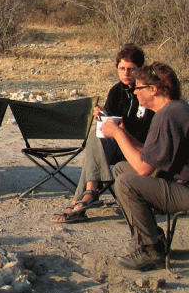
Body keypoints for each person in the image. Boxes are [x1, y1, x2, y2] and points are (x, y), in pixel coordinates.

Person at [101, 62, 189, 271]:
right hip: (179, 181)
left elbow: (143, 169)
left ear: (154, 89)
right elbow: (152, 154)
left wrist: (118, 134)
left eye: (138, 88)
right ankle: (154, 237)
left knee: (126, 183)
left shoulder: (168, 115)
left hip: (185, 188)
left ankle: (151, 250)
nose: (135, 92)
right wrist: (126, 133)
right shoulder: (174, 109)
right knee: (121, 168)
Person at [52, 44, 154, 223]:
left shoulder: (146, 92)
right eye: (121, 68)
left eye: (131, 69)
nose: (126, 73)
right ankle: (90, 192)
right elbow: (111, 120)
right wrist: (103, 116)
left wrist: (120, 130)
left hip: (138, 148)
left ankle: (83, 198)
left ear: (140, 69)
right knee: (96, 135)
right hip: (118, 144)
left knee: (97, 140)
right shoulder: (116, 91)